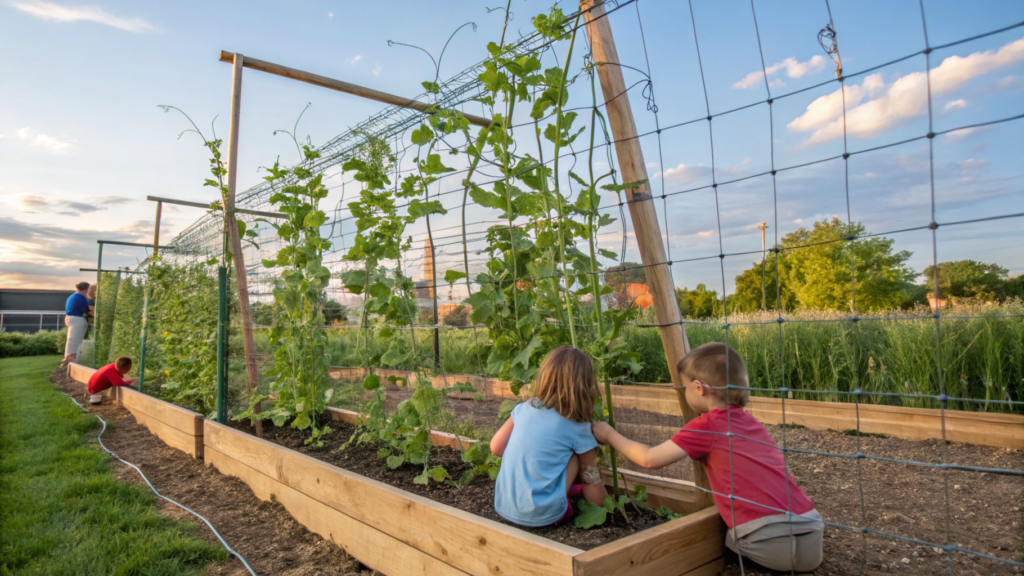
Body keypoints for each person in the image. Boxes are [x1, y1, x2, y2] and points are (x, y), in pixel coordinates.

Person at [592, 343, 823, 573]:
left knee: (729, 544)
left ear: (699, 388)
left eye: (685, 388)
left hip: (767, 542)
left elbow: (650, 458)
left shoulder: (706, 426)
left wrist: (608, 434)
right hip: (812, 533)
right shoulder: (753, 423)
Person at [491, 346, 608, 527]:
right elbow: (591, 477)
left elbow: (496, 448)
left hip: (504, 506)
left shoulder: (524, 408)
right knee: (577, 458)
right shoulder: (577, 425)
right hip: (544, 515)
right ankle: (561, 498)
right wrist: (602, 508)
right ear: (585, 387)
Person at [62, 282, 90, 367]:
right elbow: (86, 309)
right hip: (78, 320)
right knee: (75, 341)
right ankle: (71, 360)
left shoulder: (72, 296)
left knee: (71, 340)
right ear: (85, 290)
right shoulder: (81, 297)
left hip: (71, 319)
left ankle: (69, 358)